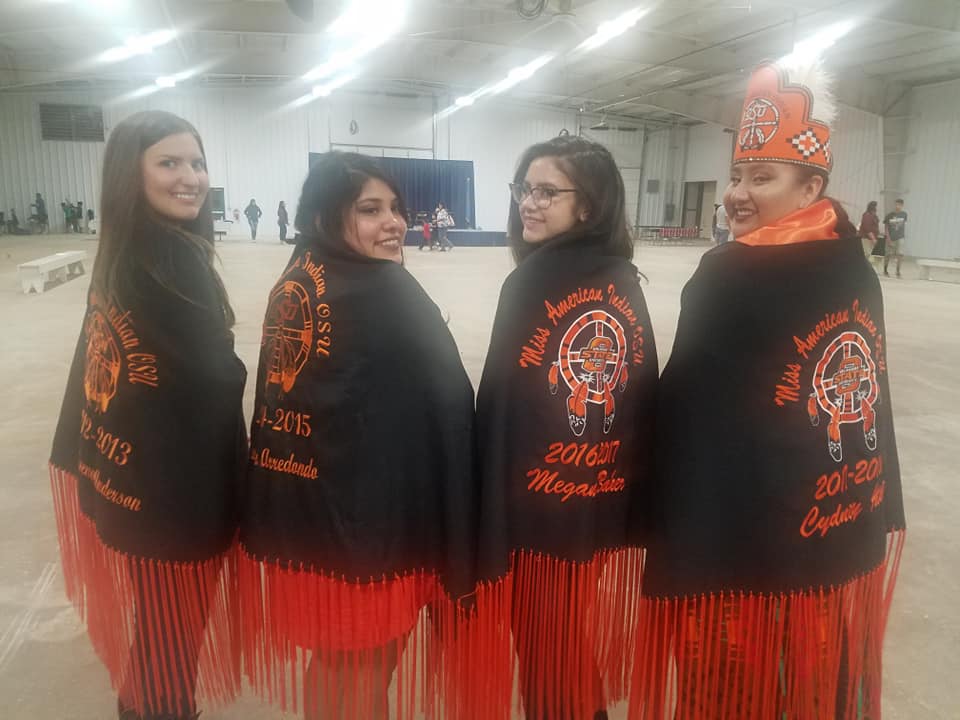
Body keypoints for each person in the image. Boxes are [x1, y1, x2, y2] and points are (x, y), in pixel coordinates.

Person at [630, 61, 905, 720]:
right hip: (836, 528)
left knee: (733, 685)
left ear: (812, 185)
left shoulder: (729, 274)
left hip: (740, 539)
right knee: (816, 682)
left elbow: (685, 411)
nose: (735, 194)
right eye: (734, 176)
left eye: (761, 177)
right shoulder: (851, 266)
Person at [237, 152, 477, 719]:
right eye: (370, 209)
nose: (393, 222)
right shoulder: (374, 290)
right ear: (326, 215)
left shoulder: (301, 274)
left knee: (338, 658)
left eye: (395, 207)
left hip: (307, 517)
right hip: (368, 528)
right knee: (366, 661)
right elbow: (437, 397)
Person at [49, 111, 248, 720]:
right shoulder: (169, 260)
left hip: (129, 486)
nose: (190, 177)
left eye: (197, 162)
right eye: (169, 162)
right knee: (171, 640)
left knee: (160, 635)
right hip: (173, 500)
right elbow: (214, 379)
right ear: (130, 174)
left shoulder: (126, 251)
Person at [473, 136, 658, 720]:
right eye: (524, 189)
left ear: (588, 205)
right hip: (597, 500)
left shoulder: (532, 284)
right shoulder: (621, 278)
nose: (528, 202)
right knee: (563, 635)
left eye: (546, 191)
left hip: (536, 511)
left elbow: (503, 405)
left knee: (545, 641)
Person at [884, 198, 907, 277]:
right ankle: (885, 269)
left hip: (900, 236)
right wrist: (888, 238)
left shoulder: (904, 214)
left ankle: (898, 271)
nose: (898, 206)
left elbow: (903, 224)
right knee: (888, 254)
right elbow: (886, 227)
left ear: (902, 206)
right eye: (897, 204)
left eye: (900, 205)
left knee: (900, 254)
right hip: (891, 236)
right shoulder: (890, 215)